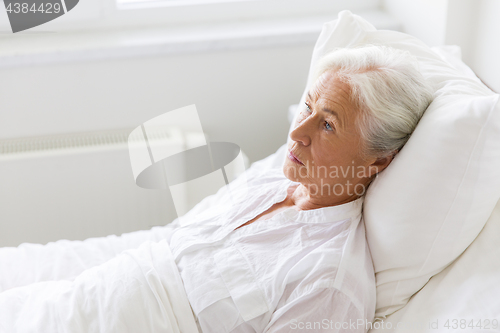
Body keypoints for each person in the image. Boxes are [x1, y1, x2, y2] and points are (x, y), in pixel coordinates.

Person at [0, 45, 433, 333]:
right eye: (306, 106)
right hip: (105, 283)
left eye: (327, 124)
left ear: (378, 161)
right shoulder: (278, 174)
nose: (296, 132)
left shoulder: (330, 285)